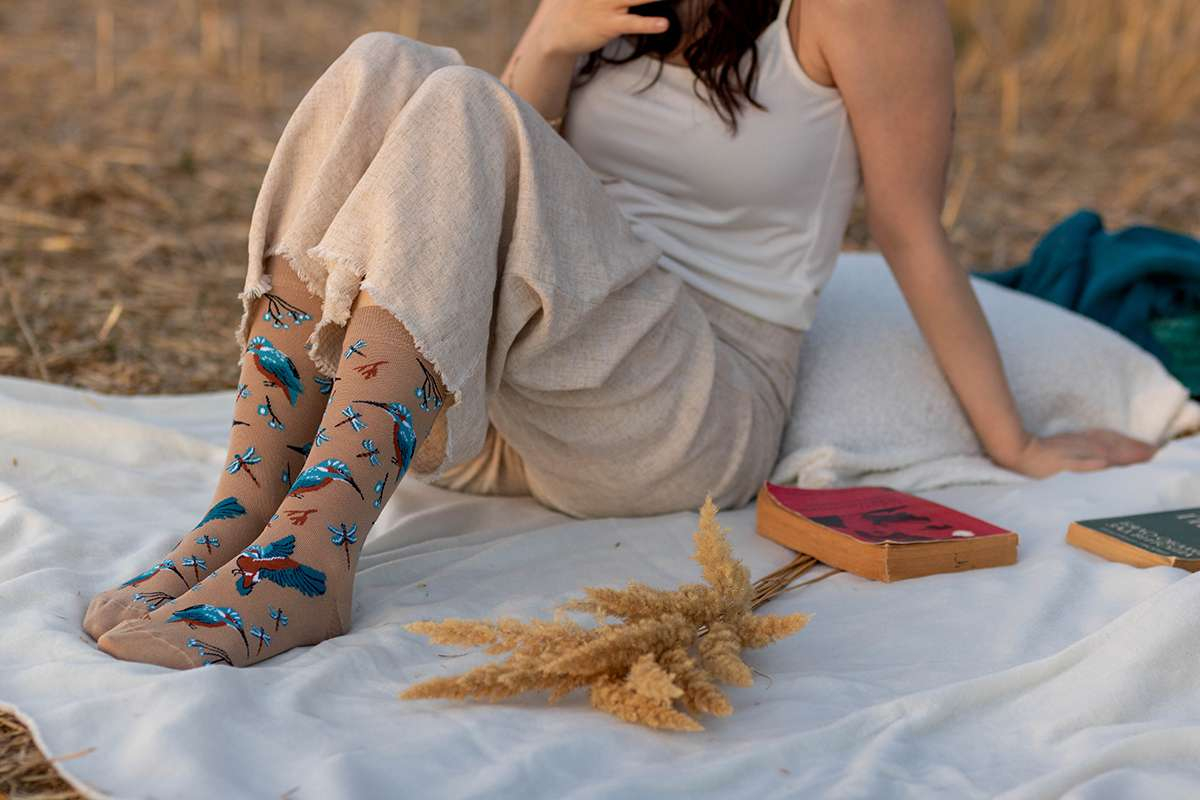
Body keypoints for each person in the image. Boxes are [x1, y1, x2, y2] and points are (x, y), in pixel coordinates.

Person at [85, 0, 1155, 669]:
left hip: (686, 407)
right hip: (518, 398)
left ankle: (312, 562)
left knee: (459, 102)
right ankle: (244, 511)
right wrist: (554, 35)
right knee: (383, 66)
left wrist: (1016, 444)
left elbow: (913, 232)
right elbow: (476, 181)